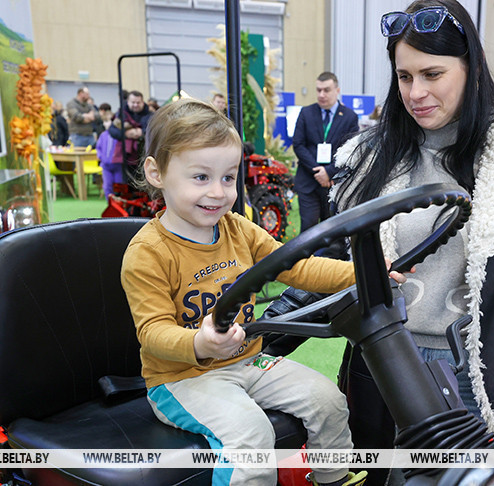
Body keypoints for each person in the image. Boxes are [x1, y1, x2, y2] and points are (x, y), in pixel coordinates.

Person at [331, 1, 494, 482]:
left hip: (481, 376)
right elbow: (326, 265)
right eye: (404, 76)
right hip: (386, 365)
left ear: (470, 68)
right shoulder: (369, 157)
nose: (416, 92)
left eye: (432, 73)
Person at [120, 98, 368, 486]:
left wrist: (363, 273)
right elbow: (152, 332)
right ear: (156, 172)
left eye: (228, 177)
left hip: (248, 361)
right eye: (200, 177)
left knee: (328, 399)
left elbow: (298, 266)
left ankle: (332, 478)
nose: (218, 192)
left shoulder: (238, 229)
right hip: (181, 379)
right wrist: (200, 344)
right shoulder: (148, 252)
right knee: (252, 435)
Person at [292, 72, 359, 232]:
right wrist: (318, 171)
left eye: (326, 90)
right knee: (309, 229)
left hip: (335, 183)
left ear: (337, 90)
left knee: (333, 232)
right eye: (318, 90)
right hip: (309, 180)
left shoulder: (349, 117)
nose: (321, 95)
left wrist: (329, 172)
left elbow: (349, 150)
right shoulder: (306, 113)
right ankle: (307, 258)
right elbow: (298, 144)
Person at [109, 90, 152, 180]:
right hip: (124, 157)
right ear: (128, 102)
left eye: (138, 102)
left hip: (144, 155)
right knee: (124, 185)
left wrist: (142, 132)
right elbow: (112, 130)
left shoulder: (150, 115)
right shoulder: (121, 115)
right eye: (133, 102)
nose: (135, 105)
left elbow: (155, 130)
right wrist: (125, 134)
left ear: (142, 102)